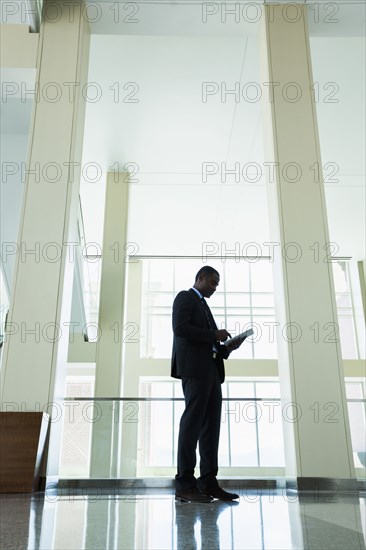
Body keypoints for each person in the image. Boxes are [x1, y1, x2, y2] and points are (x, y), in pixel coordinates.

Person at [171, 266, 244, 502]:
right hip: (195, 370)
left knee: (211, 428)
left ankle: (208, 482)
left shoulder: (204, 306)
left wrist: (227, 347)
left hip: (212, 371)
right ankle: (184, 484)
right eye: (212, 282)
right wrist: (214, 335)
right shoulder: (185, 297)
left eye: (217, 284)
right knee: (192, 424)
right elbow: (180, 329)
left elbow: (211, 344)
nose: (214, 287)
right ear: (200, 278)